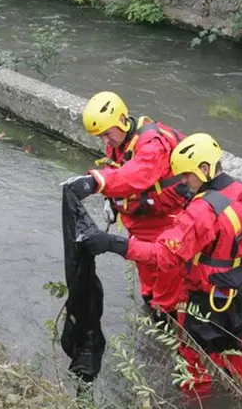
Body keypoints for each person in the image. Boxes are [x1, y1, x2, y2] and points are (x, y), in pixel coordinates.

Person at [77, 132, 242, 397]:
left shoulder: (202, 211)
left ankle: (198, 401)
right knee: (237, 350)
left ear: (204, 168)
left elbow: (164, 256)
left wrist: (111, 243)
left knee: (193, 361)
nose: (184, 183)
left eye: (187, 176)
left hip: (205, 301)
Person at [61, 91, 190, 320]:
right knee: (145, 268)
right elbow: (117, 169)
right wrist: (110, 200)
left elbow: (137, 174)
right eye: (100, 136)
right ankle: (152, 304)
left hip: (167, 221)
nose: (104, 141)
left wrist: (96, 182)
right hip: (143, 220)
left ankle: (168, 319)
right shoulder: (119, 140)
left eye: (106, 134)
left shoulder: (153, 144)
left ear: (121, 120)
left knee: (167, 272)